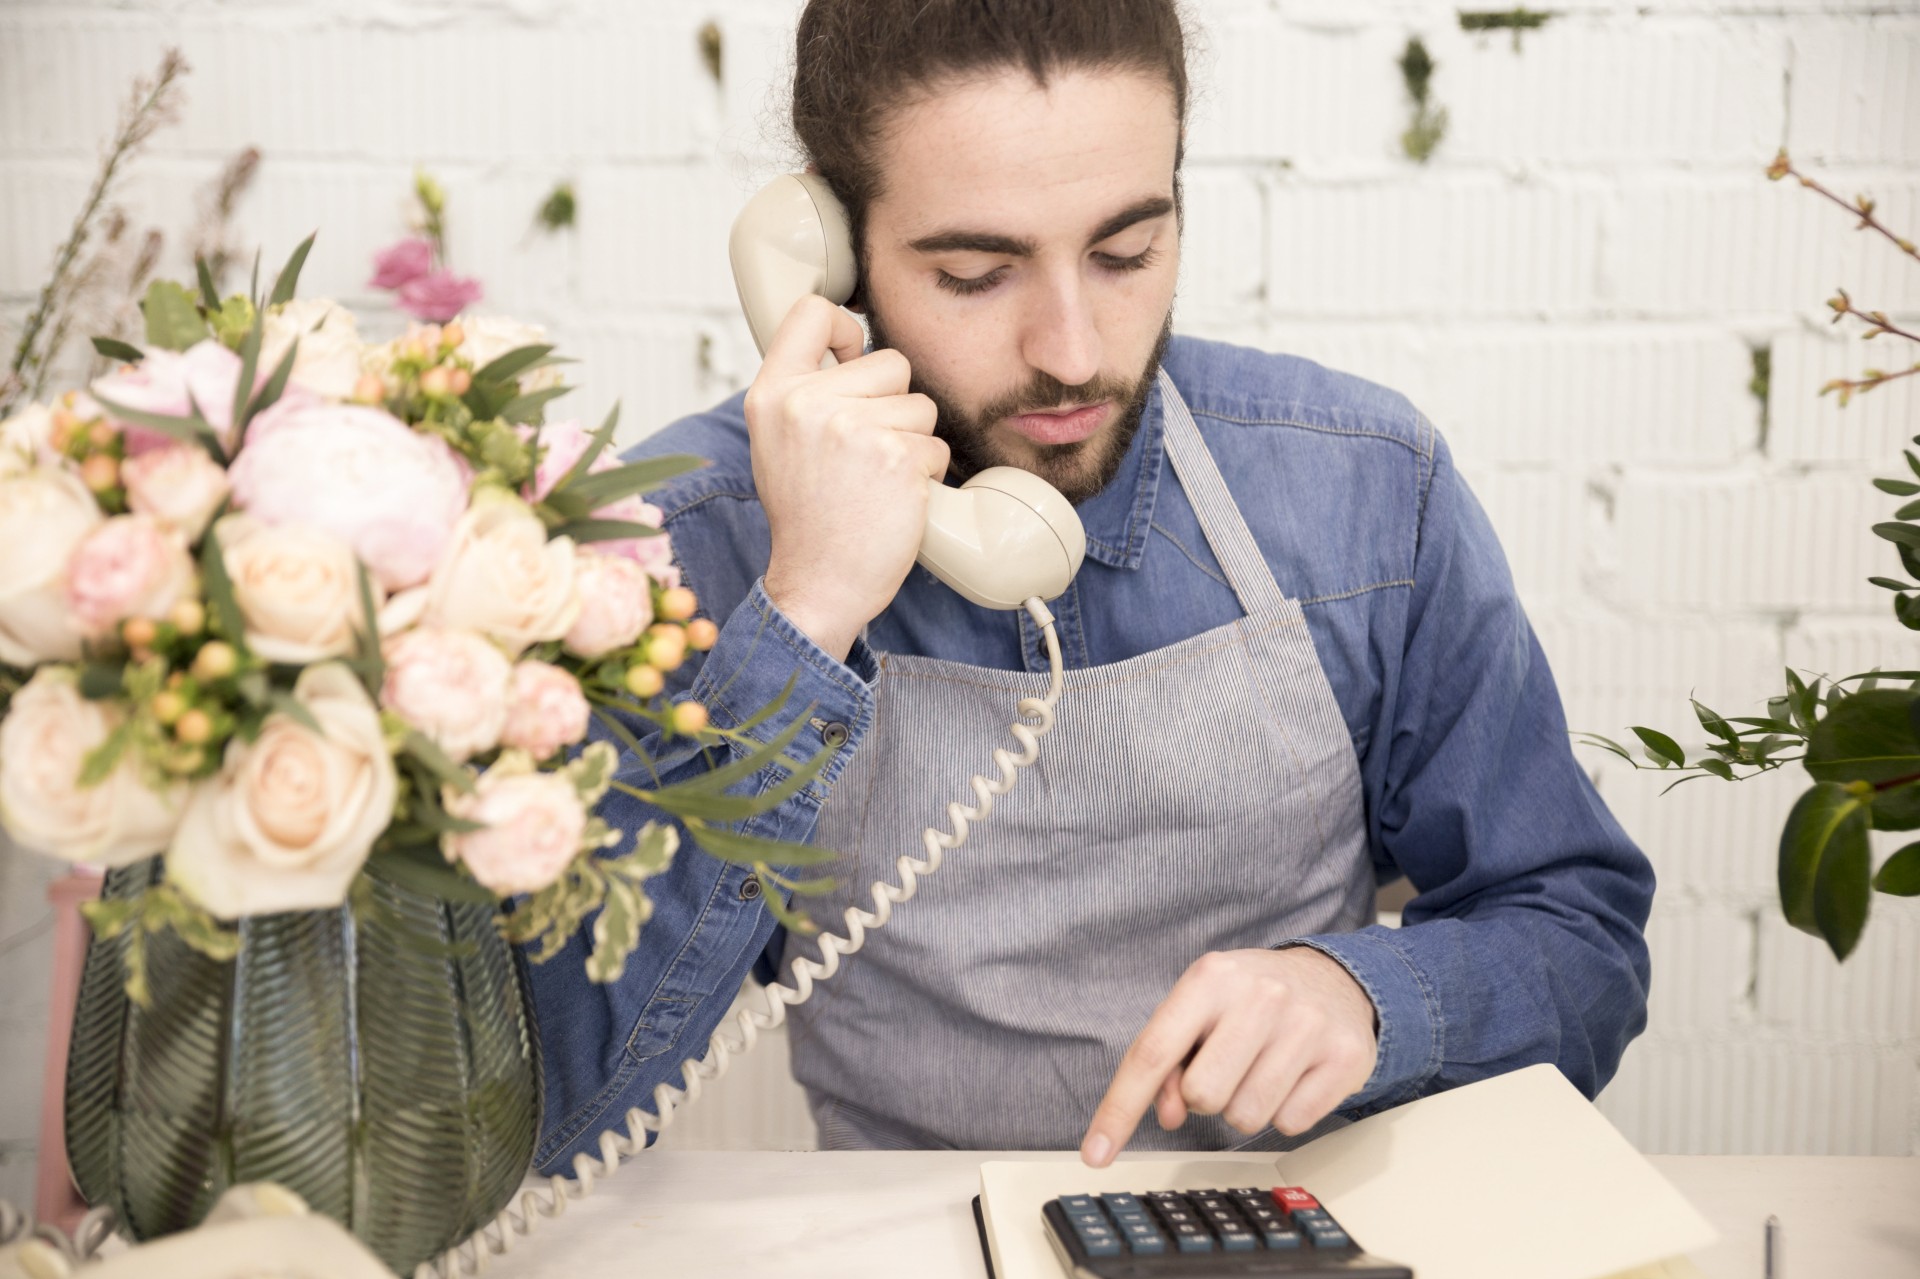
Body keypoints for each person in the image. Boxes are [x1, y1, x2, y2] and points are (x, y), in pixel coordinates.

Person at [527, 0, 1653, 1174]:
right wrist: (803, 616)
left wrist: (1370, 995)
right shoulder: (683, 544)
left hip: (1293, 1236)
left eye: (1126, 252)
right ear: (833, 250)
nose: (1071, 349)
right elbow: (564, 1099)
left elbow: (1582, 936)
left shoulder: (1369, 488)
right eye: (974, 272)